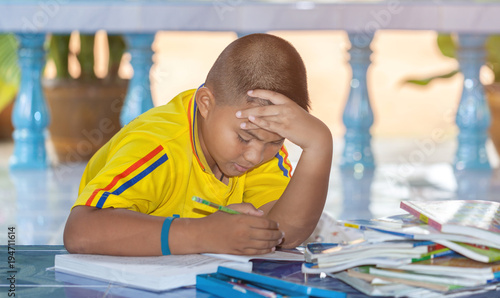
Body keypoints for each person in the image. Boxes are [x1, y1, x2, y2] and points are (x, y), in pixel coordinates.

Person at [63, 33, 333, 256]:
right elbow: (80, 232)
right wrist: (203, 234)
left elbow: (285, 233)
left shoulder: (262, 146)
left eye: (275, 142)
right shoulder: (159, 146)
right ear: (206, 103)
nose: (254, 156)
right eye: (243, 137)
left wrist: (319, 146)